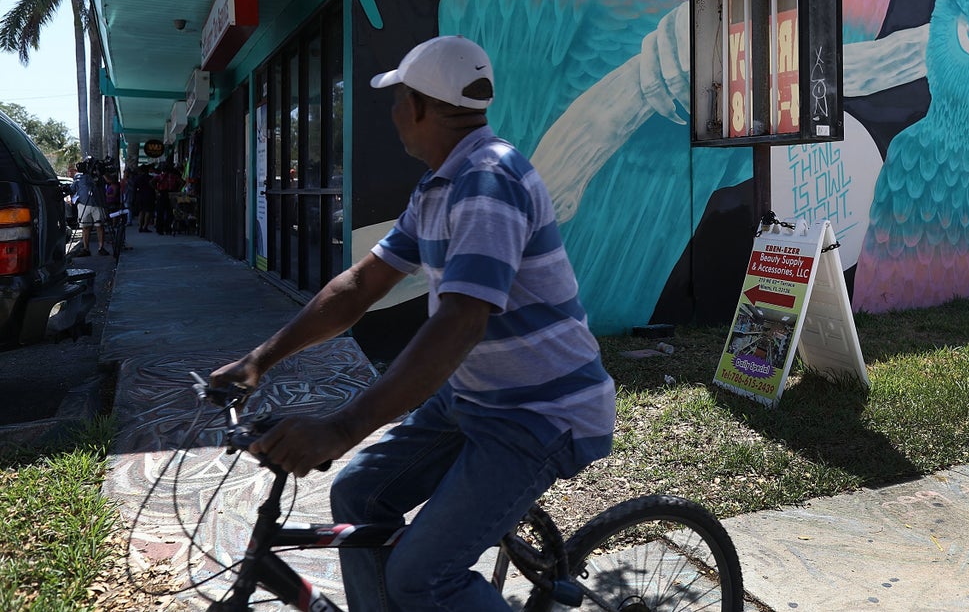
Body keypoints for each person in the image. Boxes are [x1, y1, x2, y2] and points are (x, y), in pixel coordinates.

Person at [210, 35, 616, 611]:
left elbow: (460, 323)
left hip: (538, 412)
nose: (394, 110)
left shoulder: (488, 182)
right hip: (476, 397)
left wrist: (342, 428)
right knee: (357, 494)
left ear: (421, 105)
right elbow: (360, 286)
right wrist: (261, 359)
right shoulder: (439, 186)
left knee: (421, 578)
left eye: (399, 97)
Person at [71, 158, 110, 256]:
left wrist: (101, 171)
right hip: (84, 204)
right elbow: (72, 189)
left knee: (99, 226)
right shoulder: (79, 177)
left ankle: (101, 248)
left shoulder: (100, 176)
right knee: (85, 227)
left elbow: (109, 181)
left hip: (98, 203)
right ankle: (85, 248)